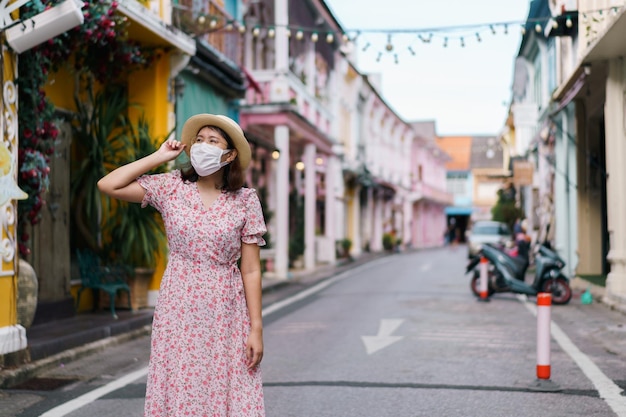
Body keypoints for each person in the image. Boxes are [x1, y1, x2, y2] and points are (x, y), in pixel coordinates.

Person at [97, 114, 266, 416]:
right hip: (179, 305)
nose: (203, 146)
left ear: (229, 155)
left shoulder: (245, 201)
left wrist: (256, 328)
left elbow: (251, 269)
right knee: (180, 382)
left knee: (222, 382)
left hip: (225, 308)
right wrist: (159, 156)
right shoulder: (171, 187)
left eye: (212, 141)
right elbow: (108, 184)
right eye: (199, 140)